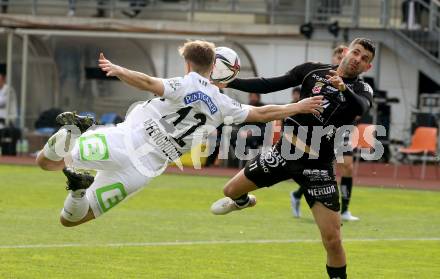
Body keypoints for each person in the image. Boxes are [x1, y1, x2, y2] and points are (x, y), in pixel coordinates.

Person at [35, 40, 323, 228]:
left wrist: (118, 69)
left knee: (47, 162)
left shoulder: (185, 83)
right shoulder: (225, 105)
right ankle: (78, 189)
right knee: (71, 220)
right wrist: (295, 106)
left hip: (122, 141)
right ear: (216, 68)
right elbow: (261, 114)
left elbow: (148, 82)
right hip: (141, 170)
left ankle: (71, 132)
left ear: (188, 64)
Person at [210, 38, 375, 279]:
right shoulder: (312, 70)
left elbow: (361, 107)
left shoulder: (362, 90)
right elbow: (269, 84)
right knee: (230, 191)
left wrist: (343, 88)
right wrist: (227, 81)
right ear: (347, 52)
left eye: (365, 59)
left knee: (333, 240)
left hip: (318, 168)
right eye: (357, 53)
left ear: (367, 67)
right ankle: (244, 202)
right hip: (283, 153)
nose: (358, 59)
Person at [290, 44, 360, 221]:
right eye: (337, 58)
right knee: (321, 171)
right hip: (322, 133)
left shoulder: (356, 84)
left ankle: (345, 209)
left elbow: (358, 107)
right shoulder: (323, 77)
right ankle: (299, 195)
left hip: (343, 131)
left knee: (348, 167)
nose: (341, 61)